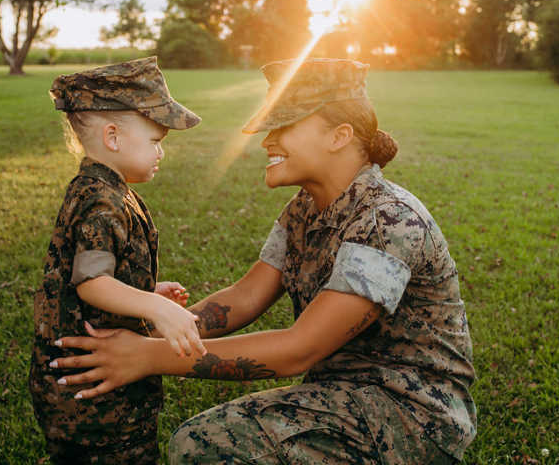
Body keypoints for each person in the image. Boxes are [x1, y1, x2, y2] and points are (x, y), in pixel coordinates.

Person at [51, 58, 477, 464]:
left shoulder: (388, 221)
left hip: (412, 417)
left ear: (339, 135)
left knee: (201, 444)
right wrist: (162, 328)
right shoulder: (305, 209)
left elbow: (298, 350)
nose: (268, 140)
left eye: (284, 126)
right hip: (348, 394)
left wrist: (147, 356)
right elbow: (246, 297)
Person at [29, 56, 207, 465]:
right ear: (112, 137)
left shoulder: (108, 189)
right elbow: (91, 283)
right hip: (93, 403)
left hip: (97, 383)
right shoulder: (99, 199)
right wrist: (155, 307)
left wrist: (144, 289)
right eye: (154, 140)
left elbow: (105, 271)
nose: (161, 151)